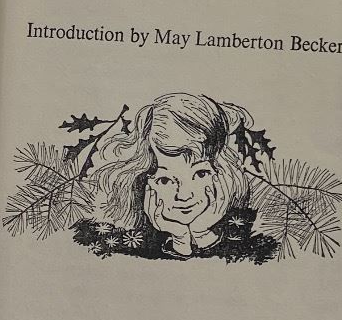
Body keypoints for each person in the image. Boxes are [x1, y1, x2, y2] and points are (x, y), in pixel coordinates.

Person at [72, 90, 281, 263]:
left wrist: (202, 234)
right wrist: (179, 239)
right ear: (143, 183)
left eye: (201, 173)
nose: (184, 195)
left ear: (221, 174)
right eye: (165, 180)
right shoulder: (125, 242)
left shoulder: (249, 235)